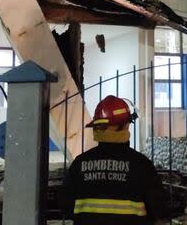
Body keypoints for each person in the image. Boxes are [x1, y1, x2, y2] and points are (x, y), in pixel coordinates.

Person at [63, 95, 165, 224]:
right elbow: (159, 208)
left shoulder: (80, 163)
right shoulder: (141, 164)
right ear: (125, 126)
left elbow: (65, 206)